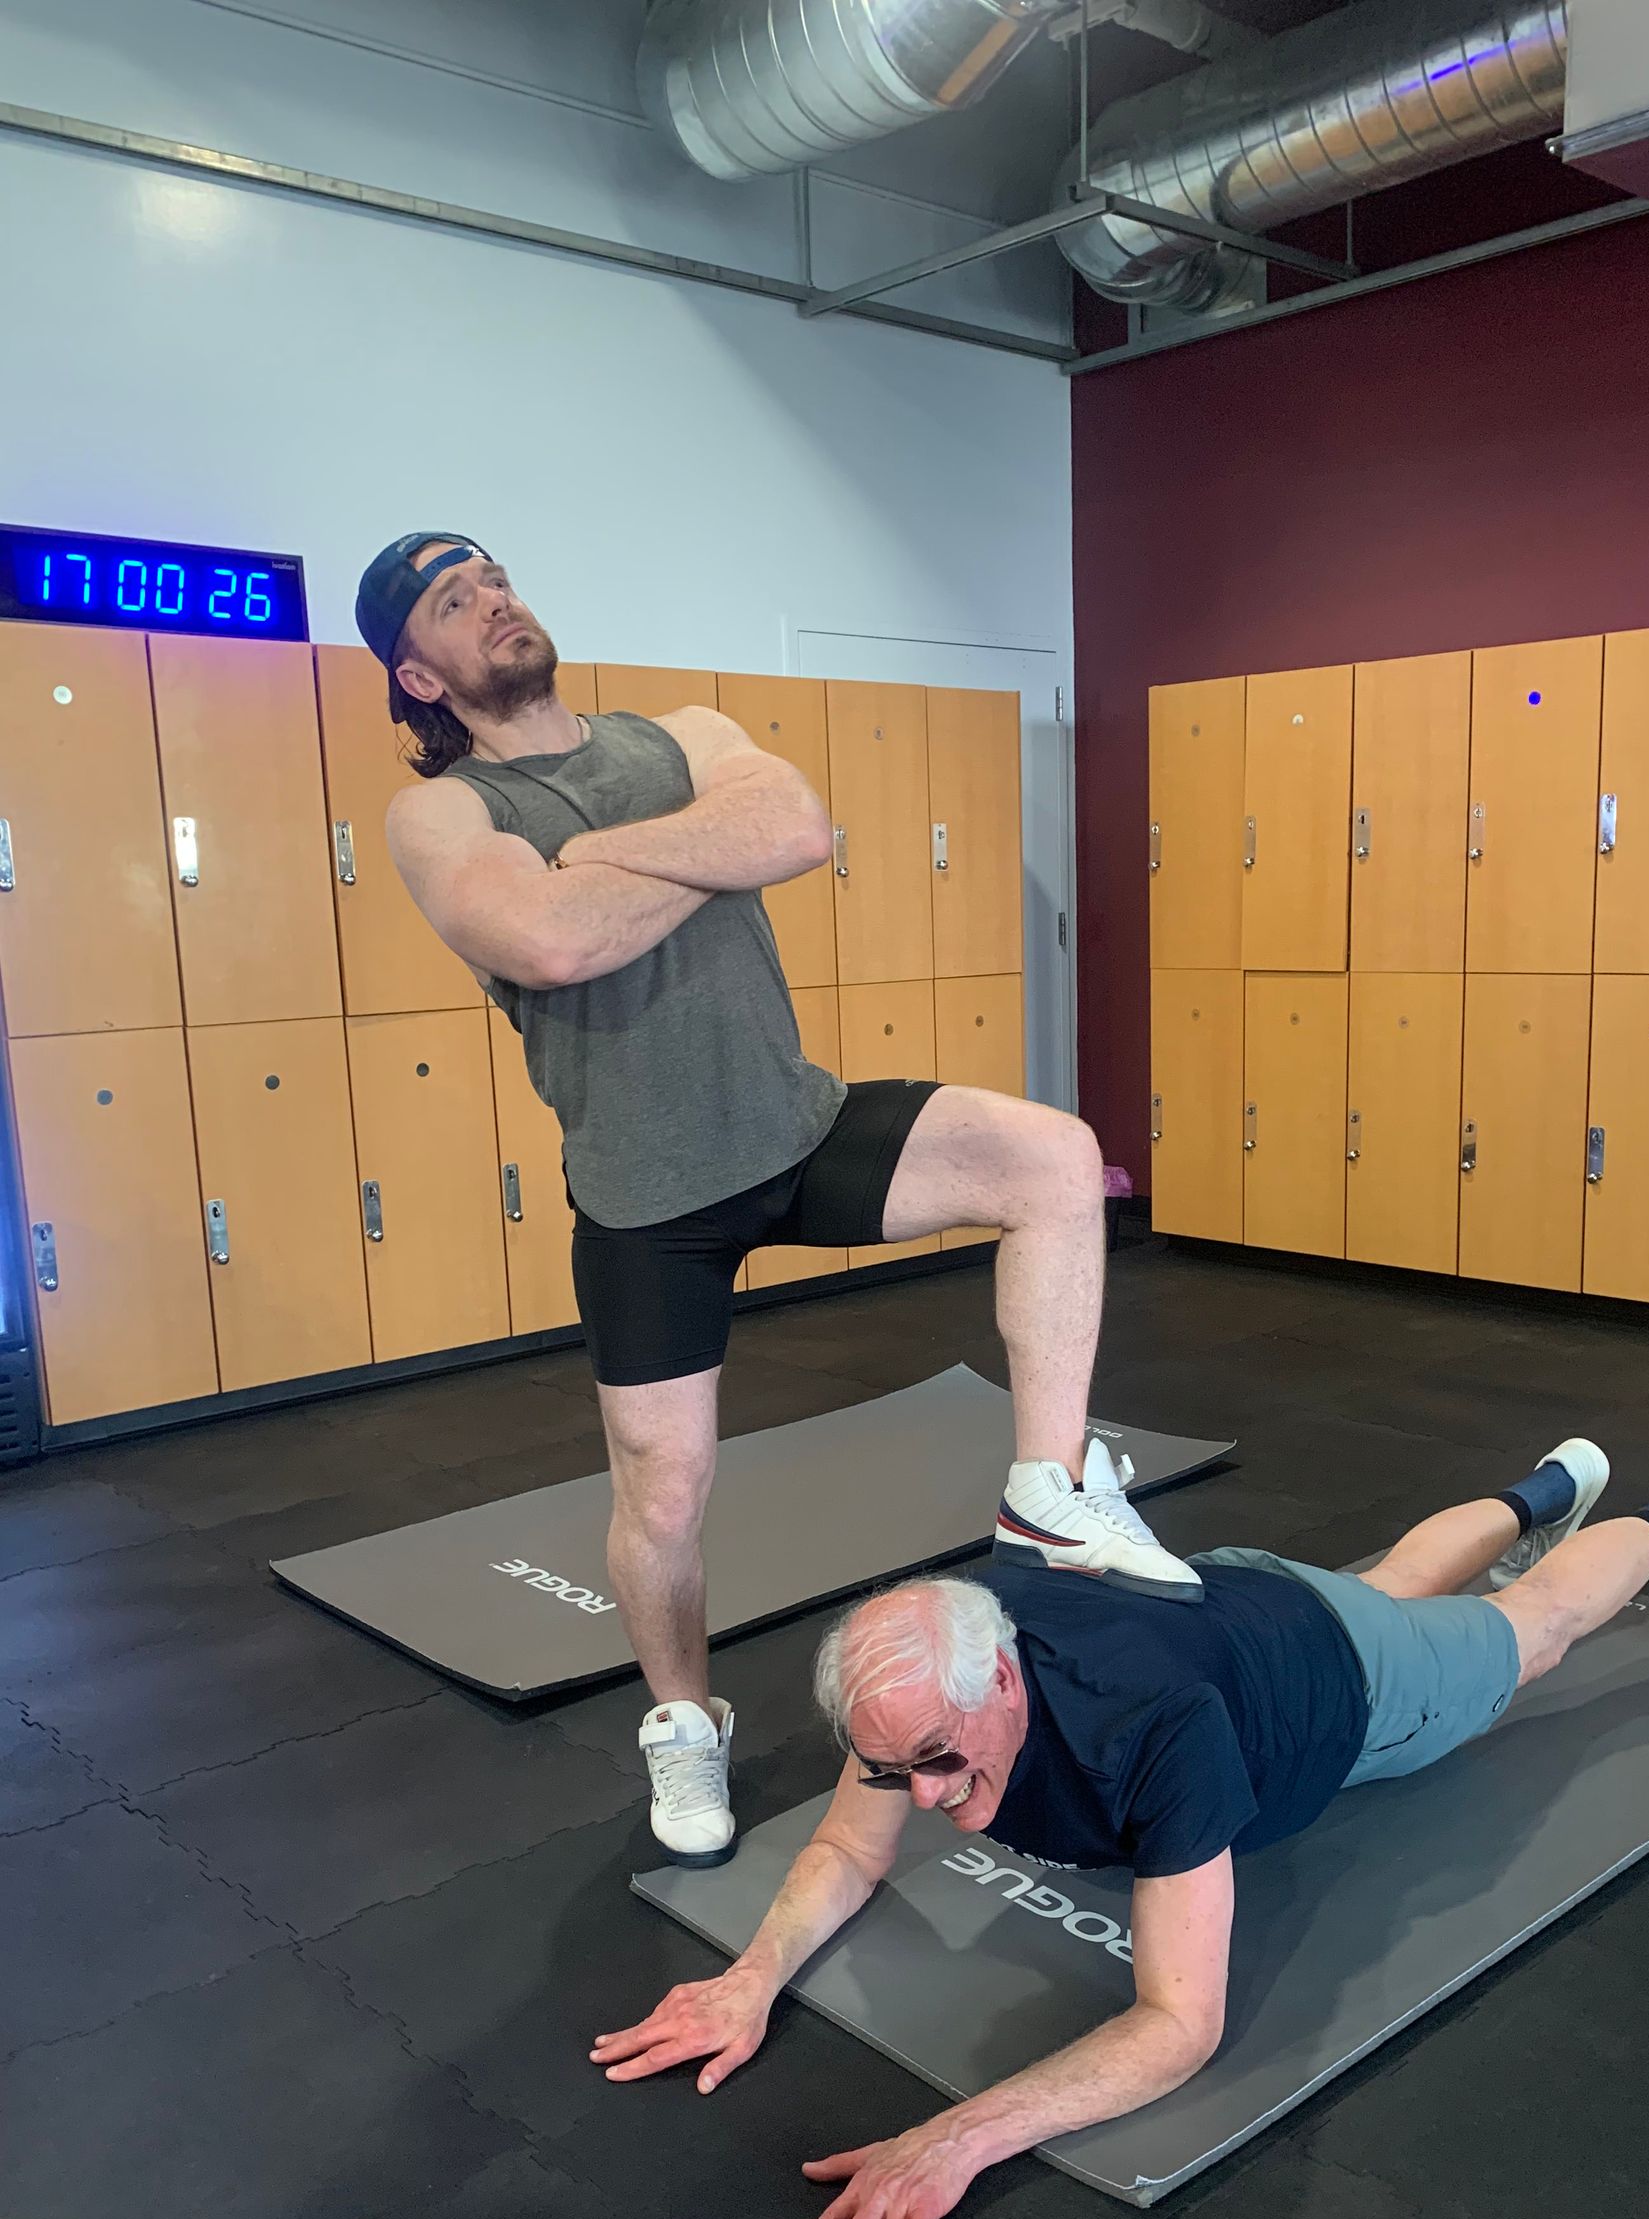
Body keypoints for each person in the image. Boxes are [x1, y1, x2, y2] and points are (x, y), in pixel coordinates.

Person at [353, 531, 1199, 1868]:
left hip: (797, 1127)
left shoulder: (677, 728)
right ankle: (684, 1724)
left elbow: (797, 829)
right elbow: (547, 942)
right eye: (452, 605)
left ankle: (1049, 1485)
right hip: (644, 1203)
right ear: (418, 672)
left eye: (497, 578)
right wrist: (698, 856)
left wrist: (599, 871)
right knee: (666, 1502)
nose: (494, 604)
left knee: (1051, 1155)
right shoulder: (441, 814)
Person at [592, 1437, 1649, 2219]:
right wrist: (753, 1976)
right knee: (1391, 1582)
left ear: (1003, 1682)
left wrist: (953, 2138)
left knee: (1533, 1626)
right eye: (903, 1768)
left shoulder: (1155, 1729)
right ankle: (1543, 1489)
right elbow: (849, 1841)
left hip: (1335, 1688)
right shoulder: (920, 1681)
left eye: (943, 1762)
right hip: (1228, 1587)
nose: (928, 1794)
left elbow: (1179, 2021)